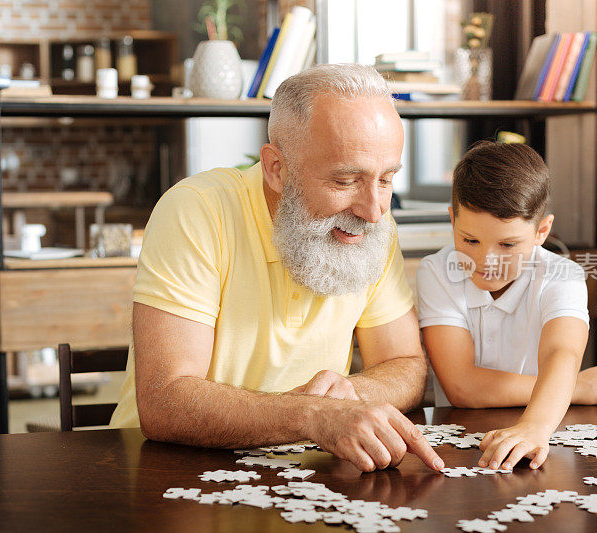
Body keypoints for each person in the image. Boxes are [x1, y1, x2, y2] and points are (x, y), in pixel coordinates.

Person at [109, 64, 445, 473]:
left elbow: (407, 365)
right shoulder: (196, 211)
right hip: (164, 474)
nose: (373, 211)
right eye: (345, 181)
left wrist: (349, 395)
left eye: (387, 179)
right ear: (276, 168)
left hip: (306, 477)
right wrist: (312, 416)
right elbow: (166, 401)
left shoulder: (370, 227)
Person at [416, 140, 597, 471]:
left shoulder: (562, 275)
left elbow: (562, 354)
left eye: (507, 244)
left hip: (544, 433)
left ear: (542, 230)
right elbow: (462, 387)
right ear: (452, 221)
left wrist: (536, 426)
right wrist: (579, 386)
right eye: (470, 240)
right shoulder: (436, 273)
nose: (486, 260)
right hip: (457, 445)